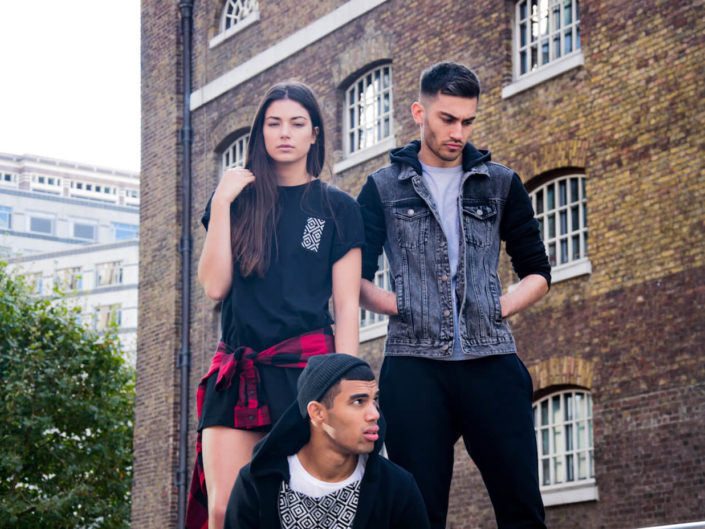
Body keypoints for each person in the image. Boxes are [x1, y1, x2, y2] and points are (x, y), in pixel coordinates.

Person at [356, 62, 551, 528]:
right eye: (447, 119)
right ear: (419, 112)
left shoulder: (501, 183)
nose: (458, 132)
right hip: (414, 367)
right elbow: (353, 279)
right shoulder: (382, 188)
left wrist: (499, 306)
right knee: (417, 516)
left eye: (467, 121)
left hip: (492, 361)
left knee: (522, 508)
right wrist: (403, 305)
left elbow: (538, 272)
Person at [185, 81, 365, 529]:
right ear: (260, 133)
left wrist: (349, 387)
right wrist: (221, 202)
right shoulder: (235, 201)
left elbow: (347, 306)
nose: (285, 132)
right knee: (224, 510)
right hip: (238, 370)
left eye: (297, 123)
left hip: (307, 372)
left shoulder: (335, 208)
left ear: (315, 134)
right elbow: (214, 286)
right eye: (274, 123)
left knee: (304, 507)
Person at [224, 353, 430, 529]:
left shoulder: (397, 488)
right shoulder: (258, 484)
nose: (374, 414)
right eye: (358, 402)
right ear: (317, 413)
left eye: (374, 400)